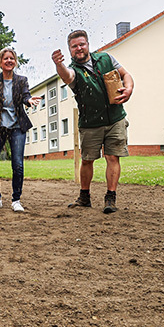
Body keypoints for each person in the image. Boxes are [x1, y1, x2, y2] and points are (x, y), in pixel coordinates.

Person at [51, 30, 134, 214]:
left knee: (113, 157)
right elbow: (66, 76)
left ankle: (110, 198)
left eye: (82, 44)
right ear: (70, 50)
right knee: (87, 160)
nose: (79, 48)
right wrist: (59, 64)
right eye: (74, 46)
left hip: (115, 118)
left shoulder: (105, 59)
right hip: (90, 122)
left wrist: (128, 89)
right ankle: (84, 197)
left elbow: (125, 74)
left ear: (88, 44)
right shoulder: (74, 70)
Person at [0, 47, 40, 212]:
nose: (9, 61)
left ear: (15, 62)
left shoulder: (21, 80)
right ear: (0, 62)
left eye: (12, 58)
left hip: (16, 126)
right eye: (5, 58)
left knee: (18, 165)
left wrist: (29, 102)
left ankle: (16, 200)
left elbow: (25, 96)